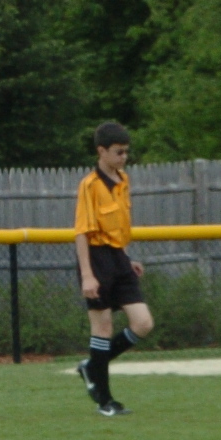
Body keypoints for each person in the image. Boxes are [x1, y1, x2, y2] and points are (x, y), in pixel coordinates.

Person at [73, 122, 153, 418]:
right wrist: (87, 275)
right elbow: (82, 232)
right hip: (96, 259)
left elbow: (117, 228)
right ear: (101, 151)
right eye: (118, 152)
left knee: (143, 323)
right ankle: (105, 401)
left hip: (118, 257)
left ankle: (92, 367)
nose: (124, 157)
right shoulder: (90, 185)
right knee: (103, 328)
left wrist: (125, 258)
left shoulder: (123, 180)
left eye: (126, 152)